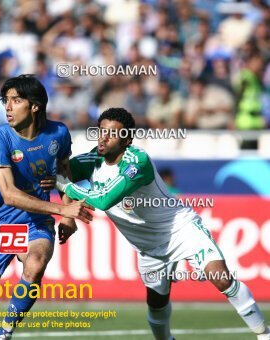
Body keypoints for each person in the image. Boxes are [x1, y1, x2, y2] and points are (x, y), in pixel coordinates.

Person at [55, 108, 270, 340]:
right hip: (148, 249)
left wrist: (64, 186)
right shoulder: (91, 161)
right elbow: (62, 172)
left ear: (127, 139)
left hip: (180, 229)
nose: (103, 137)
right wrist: (66, 213)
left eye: (112, 133)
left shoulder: (137, 161)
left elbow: (104, 199)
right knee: (157, 304)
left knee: (220, 277)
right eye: (101, 131)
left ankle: (264, 334)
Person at [0, 75, 93, 340]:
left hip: (36, 221)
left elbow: (65, 175)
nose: (7, 107)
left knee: (35, 264)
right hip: (1, 222)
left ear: (34, 106)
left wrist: (67, 216)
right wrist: (62, 211)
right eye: (6, 101)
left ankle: (4, 333)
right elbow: (9, 195)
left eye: (16, 100)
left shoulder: (59, 133)